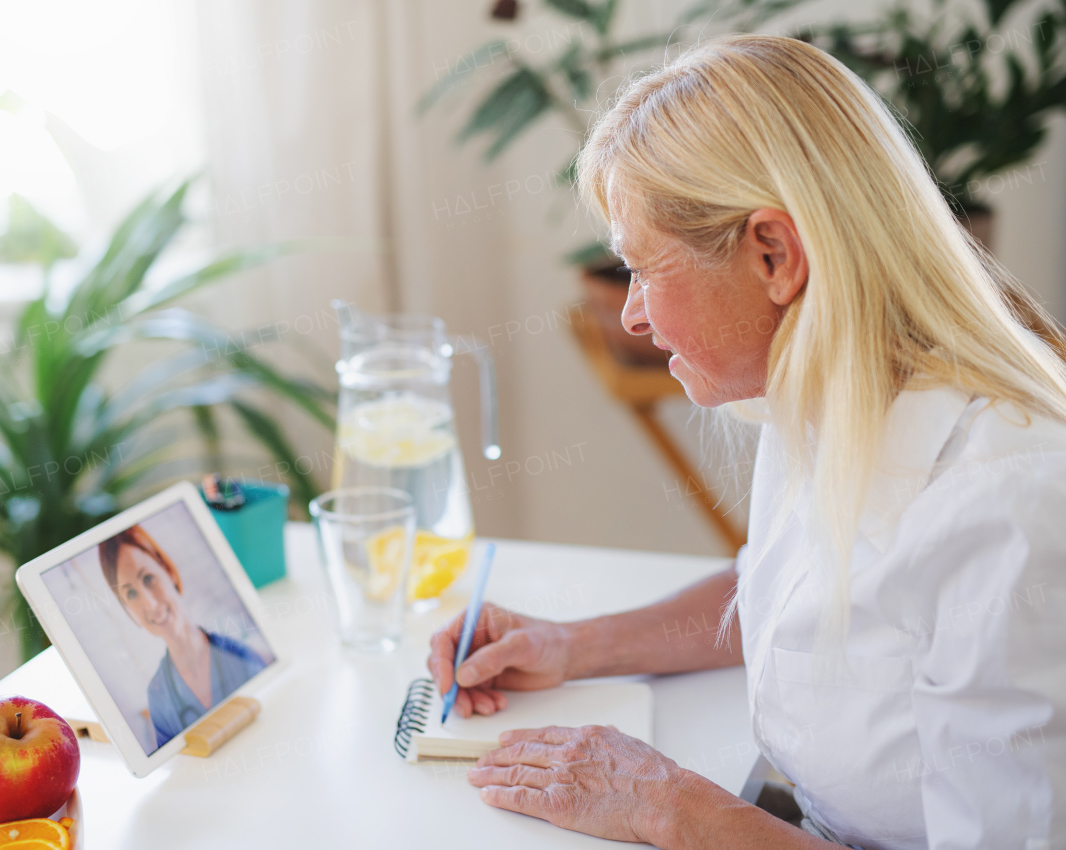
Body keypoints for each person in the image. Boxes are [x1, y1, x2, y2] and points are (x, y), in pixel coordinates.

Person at [427, 34, 1066, 849]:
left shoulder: (1010, 504)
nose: (631, 314)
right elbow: (796, 603)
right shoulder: (823, 385)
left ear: (773, 254)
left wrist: (678, 811)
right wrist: (572, 645)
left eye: (643, 270)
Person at [99, 525, 266, 749]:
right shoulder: (158, 696)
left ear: (168, 571)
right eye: (131, 594)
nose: (150, 604)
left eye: (148, 579)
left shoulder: (238, 654)